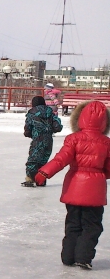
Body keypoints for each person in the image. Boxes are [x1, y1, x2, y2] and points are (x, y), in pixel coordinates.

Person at [35, 100, 110, 270]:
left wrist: (44, 172)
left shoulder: (73, 139)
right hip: (95, 190)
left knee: (73, 223)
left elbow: (61, 159)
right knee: (91, 225)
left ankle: (68, 257)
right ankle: (83, 257)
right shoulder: (106, 143)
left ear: (80, 119)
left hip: (74, 188)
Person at [22, 96, 63, 187]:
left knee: (33, 160)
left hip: (38, 139)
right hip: (48, 140)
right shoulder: (50, 112)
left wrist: (29, 134)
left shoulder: (32, 113)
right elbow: (58, 127)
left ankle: (30, 179)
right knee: (43, 161)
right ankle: (41, 180)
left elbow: (27, 129)